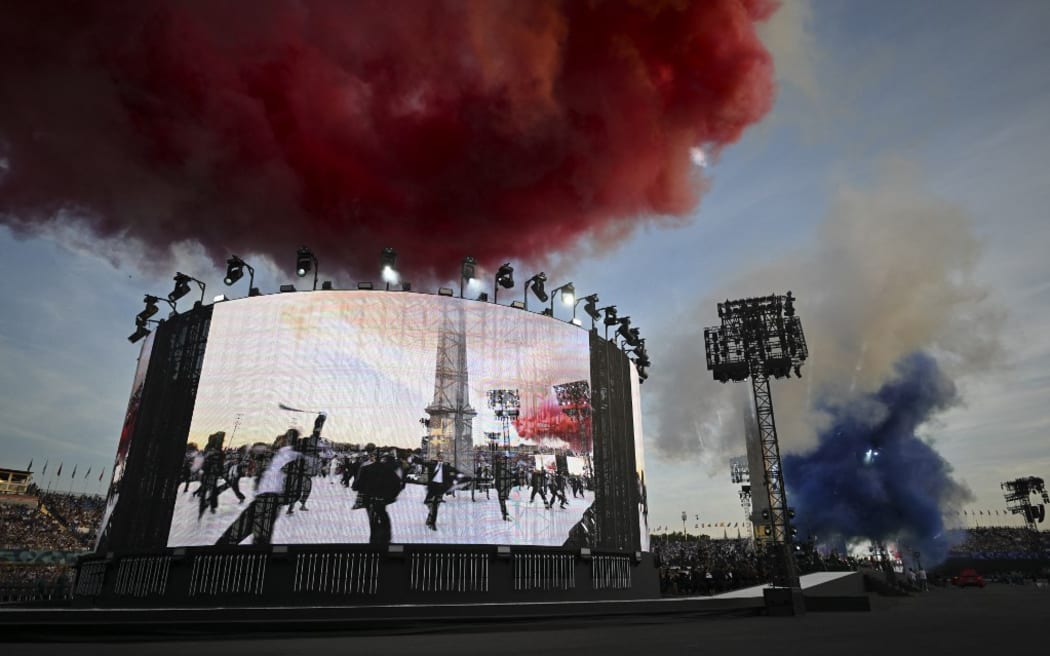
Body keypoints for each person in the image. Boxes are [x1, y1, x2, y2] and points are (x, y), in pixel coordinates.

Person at [216, 430, 302, 546]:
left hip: (269, 501)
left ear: (288, 439)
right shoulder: (276, 454)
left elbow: (295, 489)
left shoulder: (293, 456)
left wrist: (276, 501)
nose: (277, 441)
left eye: (280, 439)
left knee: (258, 541)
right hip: (260, 501)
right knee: (234, 536)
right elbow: (258, 453)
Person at [352, 444, 404, 544]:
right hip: (382, 500)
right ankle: (386, 539)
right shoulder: (389, 470)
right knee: (383, 517)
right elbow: (398, 485)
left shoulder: (365, 468)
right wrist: (390, 498)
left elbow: (356, 486)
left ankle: (374, 542)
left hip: (369, 500)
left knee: (373, 522)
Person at [423, 452, 460, 531]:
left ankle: (432, 521)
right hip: (432, 487)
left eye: (442, 457)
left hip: (440, 487)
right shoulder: (433, 464)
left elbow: (452, 473)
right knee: (428, 503)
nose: (441, 458)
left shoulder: (446, 466)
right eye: (439, 457)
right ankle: (430, 515)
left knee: (436, 505)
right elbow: (425, 464)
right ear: (437, 457)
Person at [197, 432, 226, 519]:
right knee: (208, 489)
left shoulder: (217, 449)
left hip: (213, 473)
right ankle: (204, 507)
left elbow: (220, 463)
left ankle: (210, 506)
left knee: (211, 489)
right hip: (208, 472)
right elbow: (206, 459)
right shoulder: (210, 448)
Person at [494, 456, 513, 522]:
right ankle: (505, 515)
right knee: (502, 502)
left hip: (502, 487)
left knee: (502, 502)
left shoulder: (500, 468)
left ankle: (505, 515)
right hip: (502, 487)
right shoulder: (501, 468)